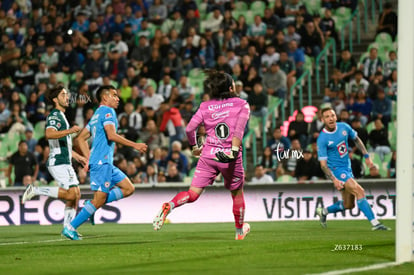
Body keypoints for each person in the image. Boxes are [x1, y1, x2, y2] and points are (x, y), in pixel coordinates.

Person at [153, 71, 251, 240]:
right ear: (230, 87)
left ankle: (170, 205)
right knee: (237, 193)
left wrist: (194, 147)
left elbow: (190, 129)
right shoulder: (242, 104)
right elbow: (238, 130)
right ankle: (239, 231)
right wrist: (233, 151)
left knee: (192, 194)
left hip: (208, 154)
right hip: (230, 156)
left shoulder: (205, 106)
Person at [61, 85, 148, 240]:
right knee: (100, 199)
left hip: (105, 163)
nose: (117, 98)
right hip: (102, 163)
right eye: (114, 95)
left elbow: (80, 139)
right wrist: (135, 145)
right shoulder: (108, 111)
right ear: (105, 97)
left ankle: (91, 204)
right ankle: (70, 227)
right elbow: (111, 135)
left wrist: (88, 158)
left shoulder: (96, 115)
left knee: (128, 188)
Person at [21, 85, 88, 232]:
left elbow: (64, 143)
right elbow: (49, 134)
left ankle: (68, 228)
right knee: (72, 194)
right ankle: (35, 190)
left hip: (65, 160)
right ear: (55, 99)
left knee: (76, 195)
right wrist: (70, 131)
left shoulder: (62, 116)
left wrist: (78, 157)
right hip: (58, 161)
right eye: (63, 95)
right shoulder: (54, 115)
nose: (67, 97)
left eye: (67, 94)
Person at [315, 107, 390, 231]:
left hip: (347, 169)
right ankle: (376, 224)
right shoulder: (322, 139)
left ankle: (323, 211)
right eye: (327, 117)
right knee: (360, 191)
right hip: (337, 171)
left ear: (336, 117)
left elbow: (356, 139)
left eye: (332, 115)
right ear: (323, 120)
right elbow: (323, 164)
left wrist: (367, 156)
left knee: (348, 205)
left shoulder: (344, 127)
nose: (331, 118)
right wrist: (334, 179)